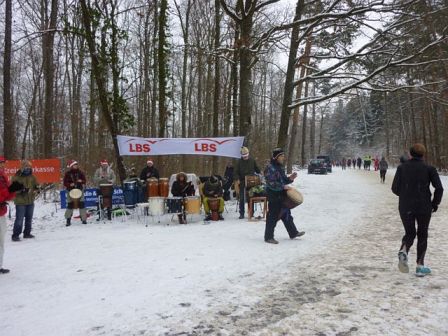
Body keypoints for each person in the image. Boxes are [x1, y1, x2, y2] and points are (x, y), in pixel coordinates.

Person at [392, 143, 443, 277]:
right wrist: (434, 204)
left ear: (410, 154)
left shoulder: (402, 168)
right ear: (423, 154)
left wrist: (405, 195)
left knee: (410, 233)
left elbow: (395, 188)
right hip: (424, 206)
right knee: (422, 234)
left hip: (405, 206)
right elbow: (439, 188)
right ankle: (420, 266)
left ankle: (404, 249)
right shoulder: (429, 168)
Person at [264, 148, 305, 244]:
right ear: (276, 157)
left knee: (286, 214)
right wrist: (283, 186)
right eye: (281, 156)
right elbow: (271, 183)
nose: (283, 157)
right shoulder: (270, 168)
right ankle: (268, 237)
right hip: (273, 195)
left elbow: (283, 180)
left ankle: (293, 232)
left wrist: (290, 178)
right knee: (272, 216)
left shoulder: (279, 167)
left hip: (281, 195)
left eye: (283, 155)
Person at [0, 156, 24, 274]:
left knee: (1, 240)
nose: (2, 165)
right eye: (0, 163)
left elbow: (6, 197)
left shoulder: (3, 176)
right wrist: (9, 191)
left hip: (1, 212)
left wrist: (13, 190)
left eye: (3, 163)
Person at [11, 160, 40, 241]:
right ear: (22, 167)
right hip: (20, 202)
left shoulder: (32, 177)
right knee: (19, 219)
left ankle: (27, 233)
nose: (27, 168)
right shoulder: (16, 177)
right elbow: (12, 189)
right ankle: (15, 235)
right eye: (26, 167)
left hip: (30, 201)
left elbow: (36, 185)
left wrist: (37, 189)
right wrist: (22, 190)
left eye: (29, 167)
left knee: (29, 218)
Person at [234, 147, 260, 219]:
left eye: (246, 155)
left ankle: (251, 212)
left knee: (251, 197)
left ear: (248, 154)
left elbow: (257, 169)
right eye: (244, 155)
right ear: (242, 155)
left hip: (251, 181)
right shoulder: (239, 162)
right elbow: (235, 172)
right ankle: (241, 213)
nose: (245, 157)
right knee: (242, 198)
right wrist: (237, 179)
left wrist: (260, 172)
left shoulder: (252, 160)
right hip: (242, 181)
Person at [63, 160, 88, 226]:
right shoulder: (67, 173)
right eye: (75, 165)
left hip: (80, 190)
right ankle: (68, 220)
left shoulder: (80, 172)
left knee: (82, 204)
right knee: (70, 205)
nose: (76, 166)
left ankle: (84, 219)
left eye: (76, 164)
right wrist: (69, 184)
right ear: (71, 166)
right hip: (70, 191)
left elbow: (84, 181)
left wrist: (81, 181)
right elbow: (65, 183)